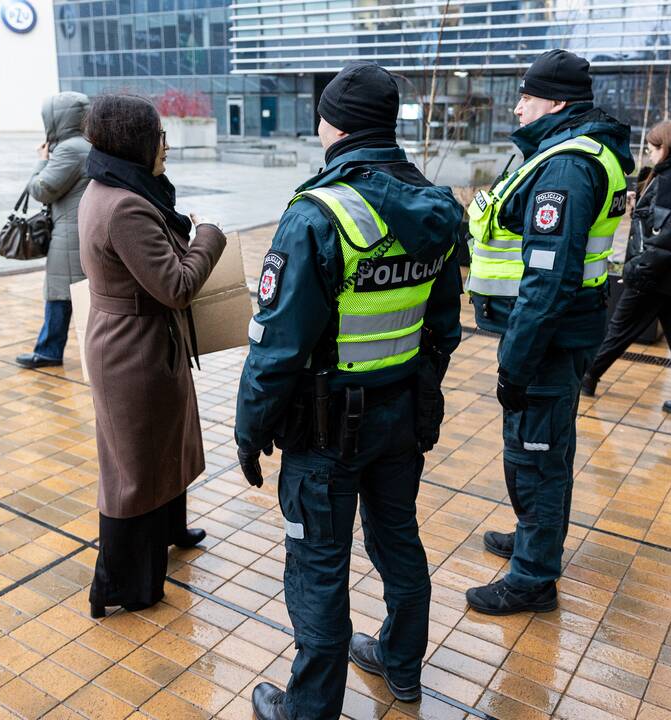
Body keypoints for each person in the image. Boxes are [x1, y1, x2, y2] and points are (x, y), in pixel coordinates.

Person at [234, 61, 463, 720]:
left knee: (318, 567)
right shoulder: (440, 210)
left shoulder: (317, 216)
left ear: (329, 124)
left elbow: (276, 349)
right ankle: (400, 665)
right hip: (401, 420)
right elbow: (442, 330)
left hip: (324, 433)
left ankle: (309, 710)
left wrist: (250, 431)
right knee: (398, 542)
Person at [464, 49, 634, 615]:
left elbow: (549, 278)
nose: (517, 107)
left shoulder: (565, 167)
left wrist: (515, 362)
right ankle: (533, 539)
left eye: (526, 97)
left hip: (546, 339)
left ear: (556, 102)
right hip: (557, 334)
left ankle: (534, 577)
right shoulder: (571, 152)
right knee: (545, 449)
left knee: (535, 455)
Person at [78, 94, 226, 617]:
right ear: (137, 142)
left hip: (142, 338)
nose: (166, 146)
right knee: (131, 467)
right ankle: (123, 586)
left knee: (160, 443)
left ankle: (169, 529)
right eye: (160, 137)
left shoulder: (117, 187)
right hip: (132, 347)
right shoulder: (124, 205)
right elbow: (177, 285)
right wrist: (208, 234)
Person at [581, 120, 671, 421]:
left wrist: (635, 269)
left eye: (651, 148)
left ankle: (587, 377)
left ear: (665, 148)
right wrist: (639, 202)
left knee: (619, 328)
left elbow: (666, 237)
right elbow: (667, 224)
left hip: (657, 275)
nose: (648, 153)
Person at [16, 92, 92, 369]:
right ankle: (76, 351)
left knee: (59, 293)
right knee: (78, 293)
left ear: (56, 119)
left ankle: (49, 350)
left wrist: (42, 160)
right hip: (81, 230)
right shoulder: (87, 144)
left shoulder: (69, 150)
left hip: (70, 235)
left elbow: (41, 190)